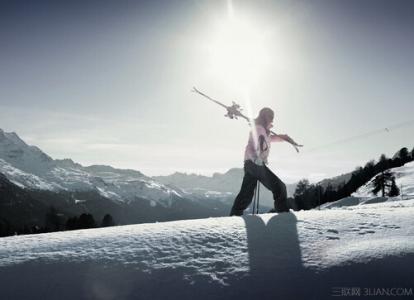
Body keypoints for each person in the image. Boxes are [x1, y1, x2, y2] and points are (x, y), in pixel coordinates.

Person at [230, 107, 302, 216]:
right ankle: (283, 215)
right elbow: (260, 140)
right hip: (255, 163)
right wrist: (259, 156)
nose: (271, 119)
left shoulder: (264, 131)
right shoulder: (259, 129)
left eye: (272, 117)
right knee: (279, 187)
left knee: (246, 194)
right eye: (270, 116)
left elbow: (274, 138)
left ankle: (234, 215)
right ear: (264, 117)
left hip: (250, 164)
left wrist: (288, 139)